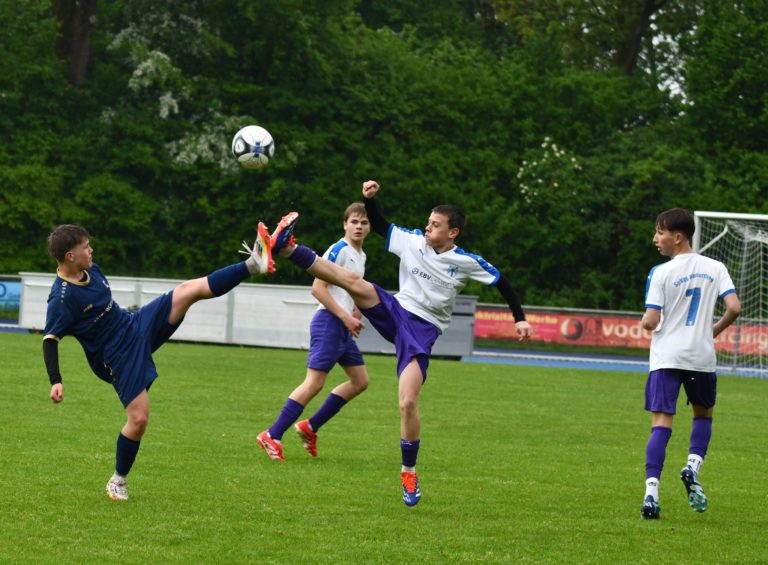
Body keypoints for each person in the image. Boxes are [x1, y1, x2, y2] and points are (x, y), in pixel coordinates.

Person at [260, 180, 532, 507]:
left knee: (407, 403)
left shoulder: (466, 261)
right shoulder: (413, 241)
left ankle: (408, 472)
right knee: (354, 282)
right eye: (428, 222)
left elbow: (502, 282)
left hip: (421, 331)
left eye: (435, 225)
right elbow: (381, 225)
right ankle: (287, 248)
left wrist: (519, 318)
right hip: (396, 309)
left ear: (453, 232)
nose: (427, 227)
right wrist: (369, 199)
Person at [42, 222, 273, 501]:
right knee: (139, 419)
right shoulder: (61, 298)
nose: (91, 250)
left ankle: (252, 264)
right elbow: (50, 339)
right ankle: (118, 480)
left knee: (187, 290)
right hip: (115, 355)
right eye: (86, 247)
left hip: (133, 325)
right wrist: (56, 380)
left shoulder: (90, 268)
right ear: (70, 256)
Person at [640, 208, 741, 519]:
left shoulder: (660, 272)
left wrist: (645, 322)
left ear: (678, 237)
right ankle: (692, 467)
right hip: (701, 356)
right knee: (703, 417)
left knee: (661, 424)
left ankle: (651, 495)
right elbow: (734, 307)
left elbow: (651, 321)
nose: (655, 238)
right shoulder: (716, 267)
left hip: (667, 357)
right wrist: (713, 331)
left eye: (660, 233)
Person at [257, 203, 371, 461]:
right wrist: (345, 316)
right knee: (314, 383)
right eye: (354, 222)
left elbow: (350, 289)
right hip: (330, 321)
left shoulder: (360, 255)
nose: (358, 227)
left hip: (341, 324)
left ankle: (310, 426)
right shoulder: (339, 250)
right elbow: (318, 289)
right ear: (345, 224)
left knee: (359, 381)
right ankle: (272, 435)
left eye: (364, 223)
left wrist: (355, 312)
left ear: (369, 227)